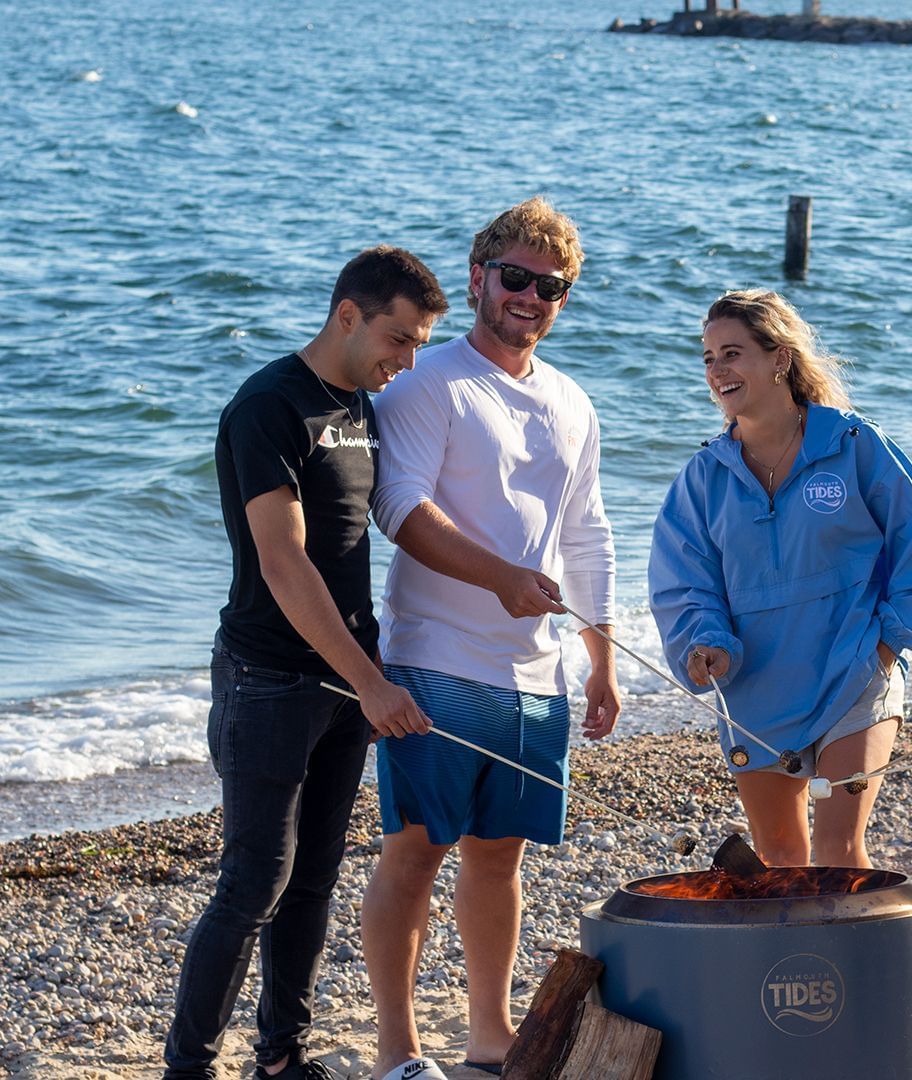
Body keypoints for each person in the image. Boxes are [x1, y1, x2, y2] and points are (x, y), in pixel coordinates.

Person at [164, 247, 448, 1080]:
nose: (409, 359)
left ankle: (281, 1059)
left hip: (343, 681)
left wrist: (374, 667)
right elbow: (284, 562)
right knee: (254, 883)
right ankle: (187, 1067)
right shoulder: (268, 407)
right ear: (348, 315)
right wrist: (371, 682)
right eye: (400, 338)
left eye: (422, 343)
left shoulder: (361, 403)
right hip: (269, 680)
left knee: (314, 880)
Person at [361, 197, 619, 1080]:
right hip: (435, 659)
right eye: (516, 277)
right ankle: (398, 1050)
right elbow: (401, 508)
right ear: (478, 278)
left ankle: (489, 1037)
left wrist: (601, 657)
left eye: (552, 286)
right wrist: (500, 578)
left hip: (537, 670)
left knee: (499, 855)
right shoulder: (429, 381)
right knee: (417, 847)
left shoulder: (572, 400)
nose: (531, 296)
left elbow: (587, 533)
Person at [649, 289, 912, 869]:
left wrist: (888, 643)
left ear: (779, 359)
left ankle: (860, 964)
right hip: (755, 687)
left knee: (841, 852)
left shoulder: (854, 445)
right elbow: (686, 583)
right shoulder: (702, 478)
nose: (718, 370)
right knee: (779, 857)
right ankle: (800, 965)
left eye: (734, 353)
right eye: (709, 357)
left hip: (855, 671)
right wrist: (705, 642)